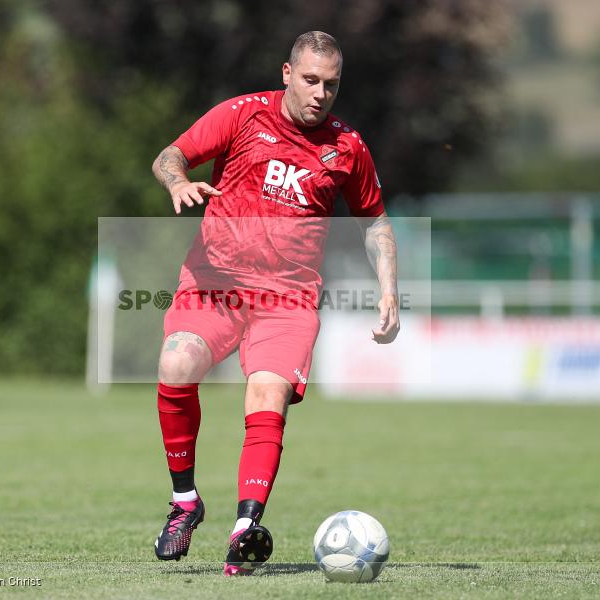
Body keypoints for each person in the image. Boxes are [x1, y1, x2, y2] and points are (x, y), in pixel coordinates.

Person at [149, 31, 399, 576]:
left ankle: (245, 528)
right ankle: (185, 503)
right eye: (310, 80)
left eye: (331, 85)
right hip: (213, 283)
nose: (320, 93)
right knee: (176, 362)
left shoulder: (347, 147)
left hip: (287, 297)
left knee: (267, 393)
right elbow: (171, 155)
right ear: (287, 73)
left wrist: (387, 288)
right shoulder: (242, 115)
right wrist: (177, 182)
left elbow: (375, 220)